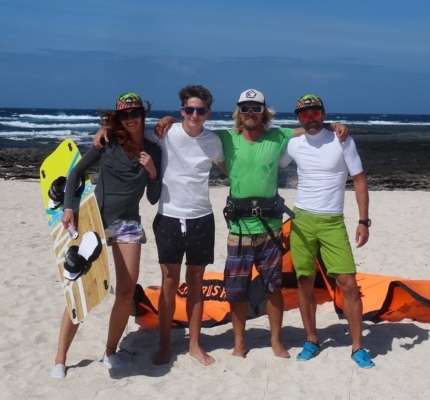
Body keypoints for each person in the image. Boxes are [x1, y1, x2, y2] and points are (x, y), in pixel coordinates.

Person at [154, 89, 349, 359]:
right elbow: (192, 126)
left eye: (255, 108)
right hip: (238, 229)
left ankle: (276, 341)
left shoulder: (279, 137)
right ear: (238, 113)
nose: (250, 113)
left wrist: (333, 125)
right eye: (245, 108)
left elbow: (309, 127)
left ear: (264, 113)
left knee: (273, 288)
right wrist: (167, 119)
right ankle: (239, 343)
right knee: (236, 290)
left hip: (270, 228)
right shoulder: (225, 137)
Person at [50, 92, 161, 378]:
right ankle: (60, 358)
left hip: (128, 224)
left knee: (126, 290)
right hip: (95, 220)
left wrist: (151, 171)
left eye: (135, 113)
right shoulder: (107, 141)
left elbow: (153, 197)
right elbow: (75, 173)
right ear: (117, 118)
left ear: (142, 115)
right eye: (124, 115)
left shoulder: (153, 149)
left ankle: (110, 352)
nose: (131, 119)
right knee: (79, 289)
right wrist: (69, 208)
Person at [278, 94, 375, 368]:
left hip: (332, 222)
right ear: (298, 117)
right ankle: (311, 339)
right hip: (302, 221)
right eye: (304, 114)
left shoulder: (341, 139)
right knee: (303, 282)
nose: (310, 118)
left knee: (349, 285)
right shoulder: (294, 143)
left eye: (315, 112)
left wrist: (363, 221)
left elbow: (359, 179)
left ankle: (358, 347)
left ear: (324, 113)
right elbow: (272, 166)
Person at [145, 85, 225, 366]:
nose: (195, 115)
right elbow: (128, 134)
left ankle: (194, 344)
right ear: (182, 111)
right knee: (169, 282)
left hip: (202, 217)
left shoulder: (214, 141)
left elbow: (232, 168)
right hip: (168, 216)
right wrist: (102, 132)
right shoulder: (165, 133)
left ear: (208, 113)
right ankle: (165, 345)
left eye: (200, 110)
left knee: (196, 283)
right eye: (189, 110)